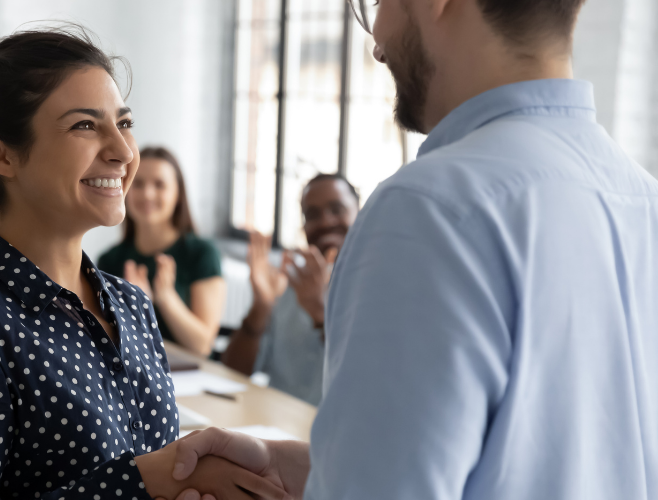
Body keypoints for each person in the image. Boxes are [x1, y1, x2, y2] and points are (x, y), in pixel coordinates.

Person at [163, 0, 658, 498]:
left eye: (377, 4)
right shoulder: (643, 198)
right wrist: (320, 470)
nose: (376, 44)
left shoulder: (429, 207)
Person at [0, 28, 284, 500]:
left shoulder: (131, 305)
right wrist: (144, 481)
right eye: (85, 125)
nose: (123, 153)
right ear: (0, 154)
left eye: (123, 123)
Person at [220, 173, 359, 405]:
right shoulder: (288, 280)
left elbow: (367, 379)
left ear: (360, 213)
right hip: (278, 425)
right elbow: (234, 370)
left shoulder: (378, 285)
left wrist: (319, 314)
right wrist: (261, 307)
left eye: (337, 209)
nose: (325, 222)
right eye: (312, 215)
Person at [98, 147, 225, 356]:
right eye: (138, 184)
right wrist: (139, 308)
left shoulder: (202, 253)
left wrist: (165, 297)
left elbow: (202, 346)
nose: (147, 194)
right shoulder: (109, 260)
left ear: (178, 194)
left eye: (160, 185)